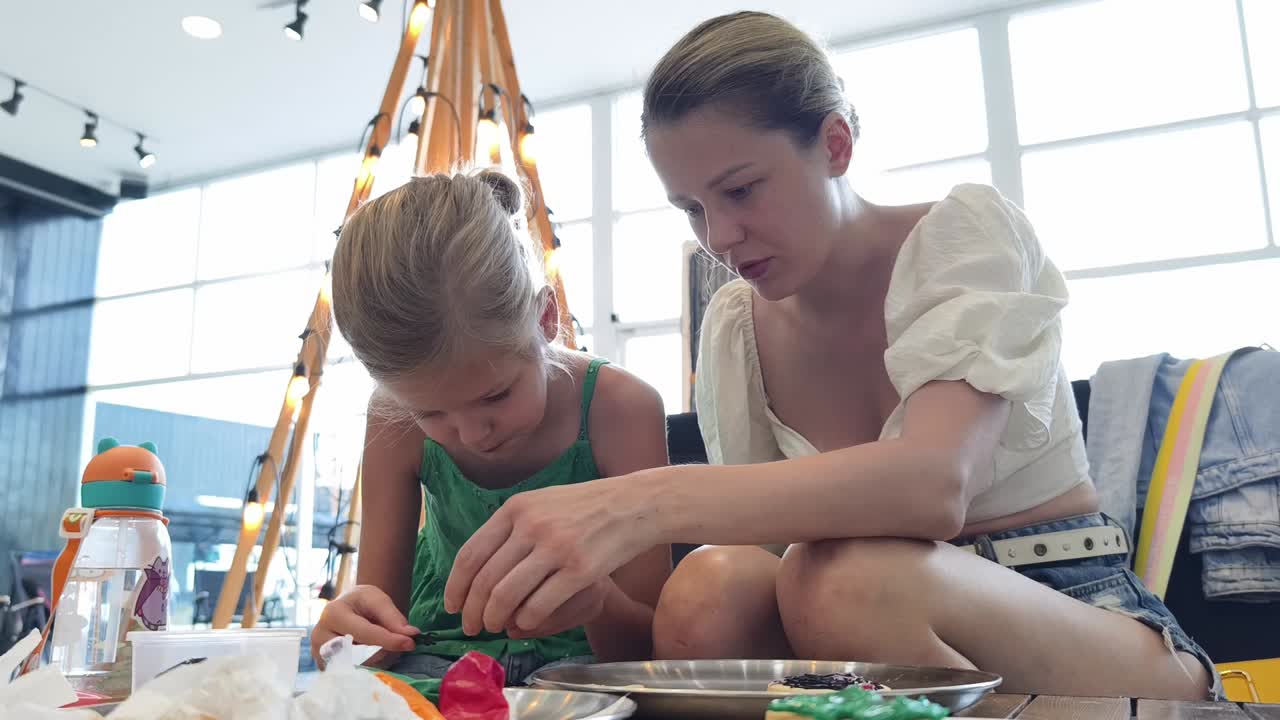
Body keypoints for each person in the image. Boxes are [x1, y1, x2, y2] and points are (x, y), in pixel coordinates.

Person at [441, 12, 1217, 700]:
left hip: (1073, 605)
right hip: (857, 635)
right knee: (710, 586)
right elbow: (767, 559)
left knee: (845, 580)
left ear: (835, 145)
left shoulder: (963, 236)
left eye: (741, 191)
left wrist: (641, 503)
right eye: (692, 209)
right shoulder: (735, 327)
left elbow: (932, 486)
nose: (719, 238)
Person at [311, 169, 671, 687]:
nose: (472, 433)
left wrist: (594, 600)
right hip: (434, 665)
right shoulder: (390, 418)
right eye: (430, 414)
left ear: (546, 318)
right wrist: (342, 640)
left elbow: (650, 649)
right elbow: (379, 634)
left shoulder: (622, 409)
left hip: (584, 673)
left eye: (494, 395)